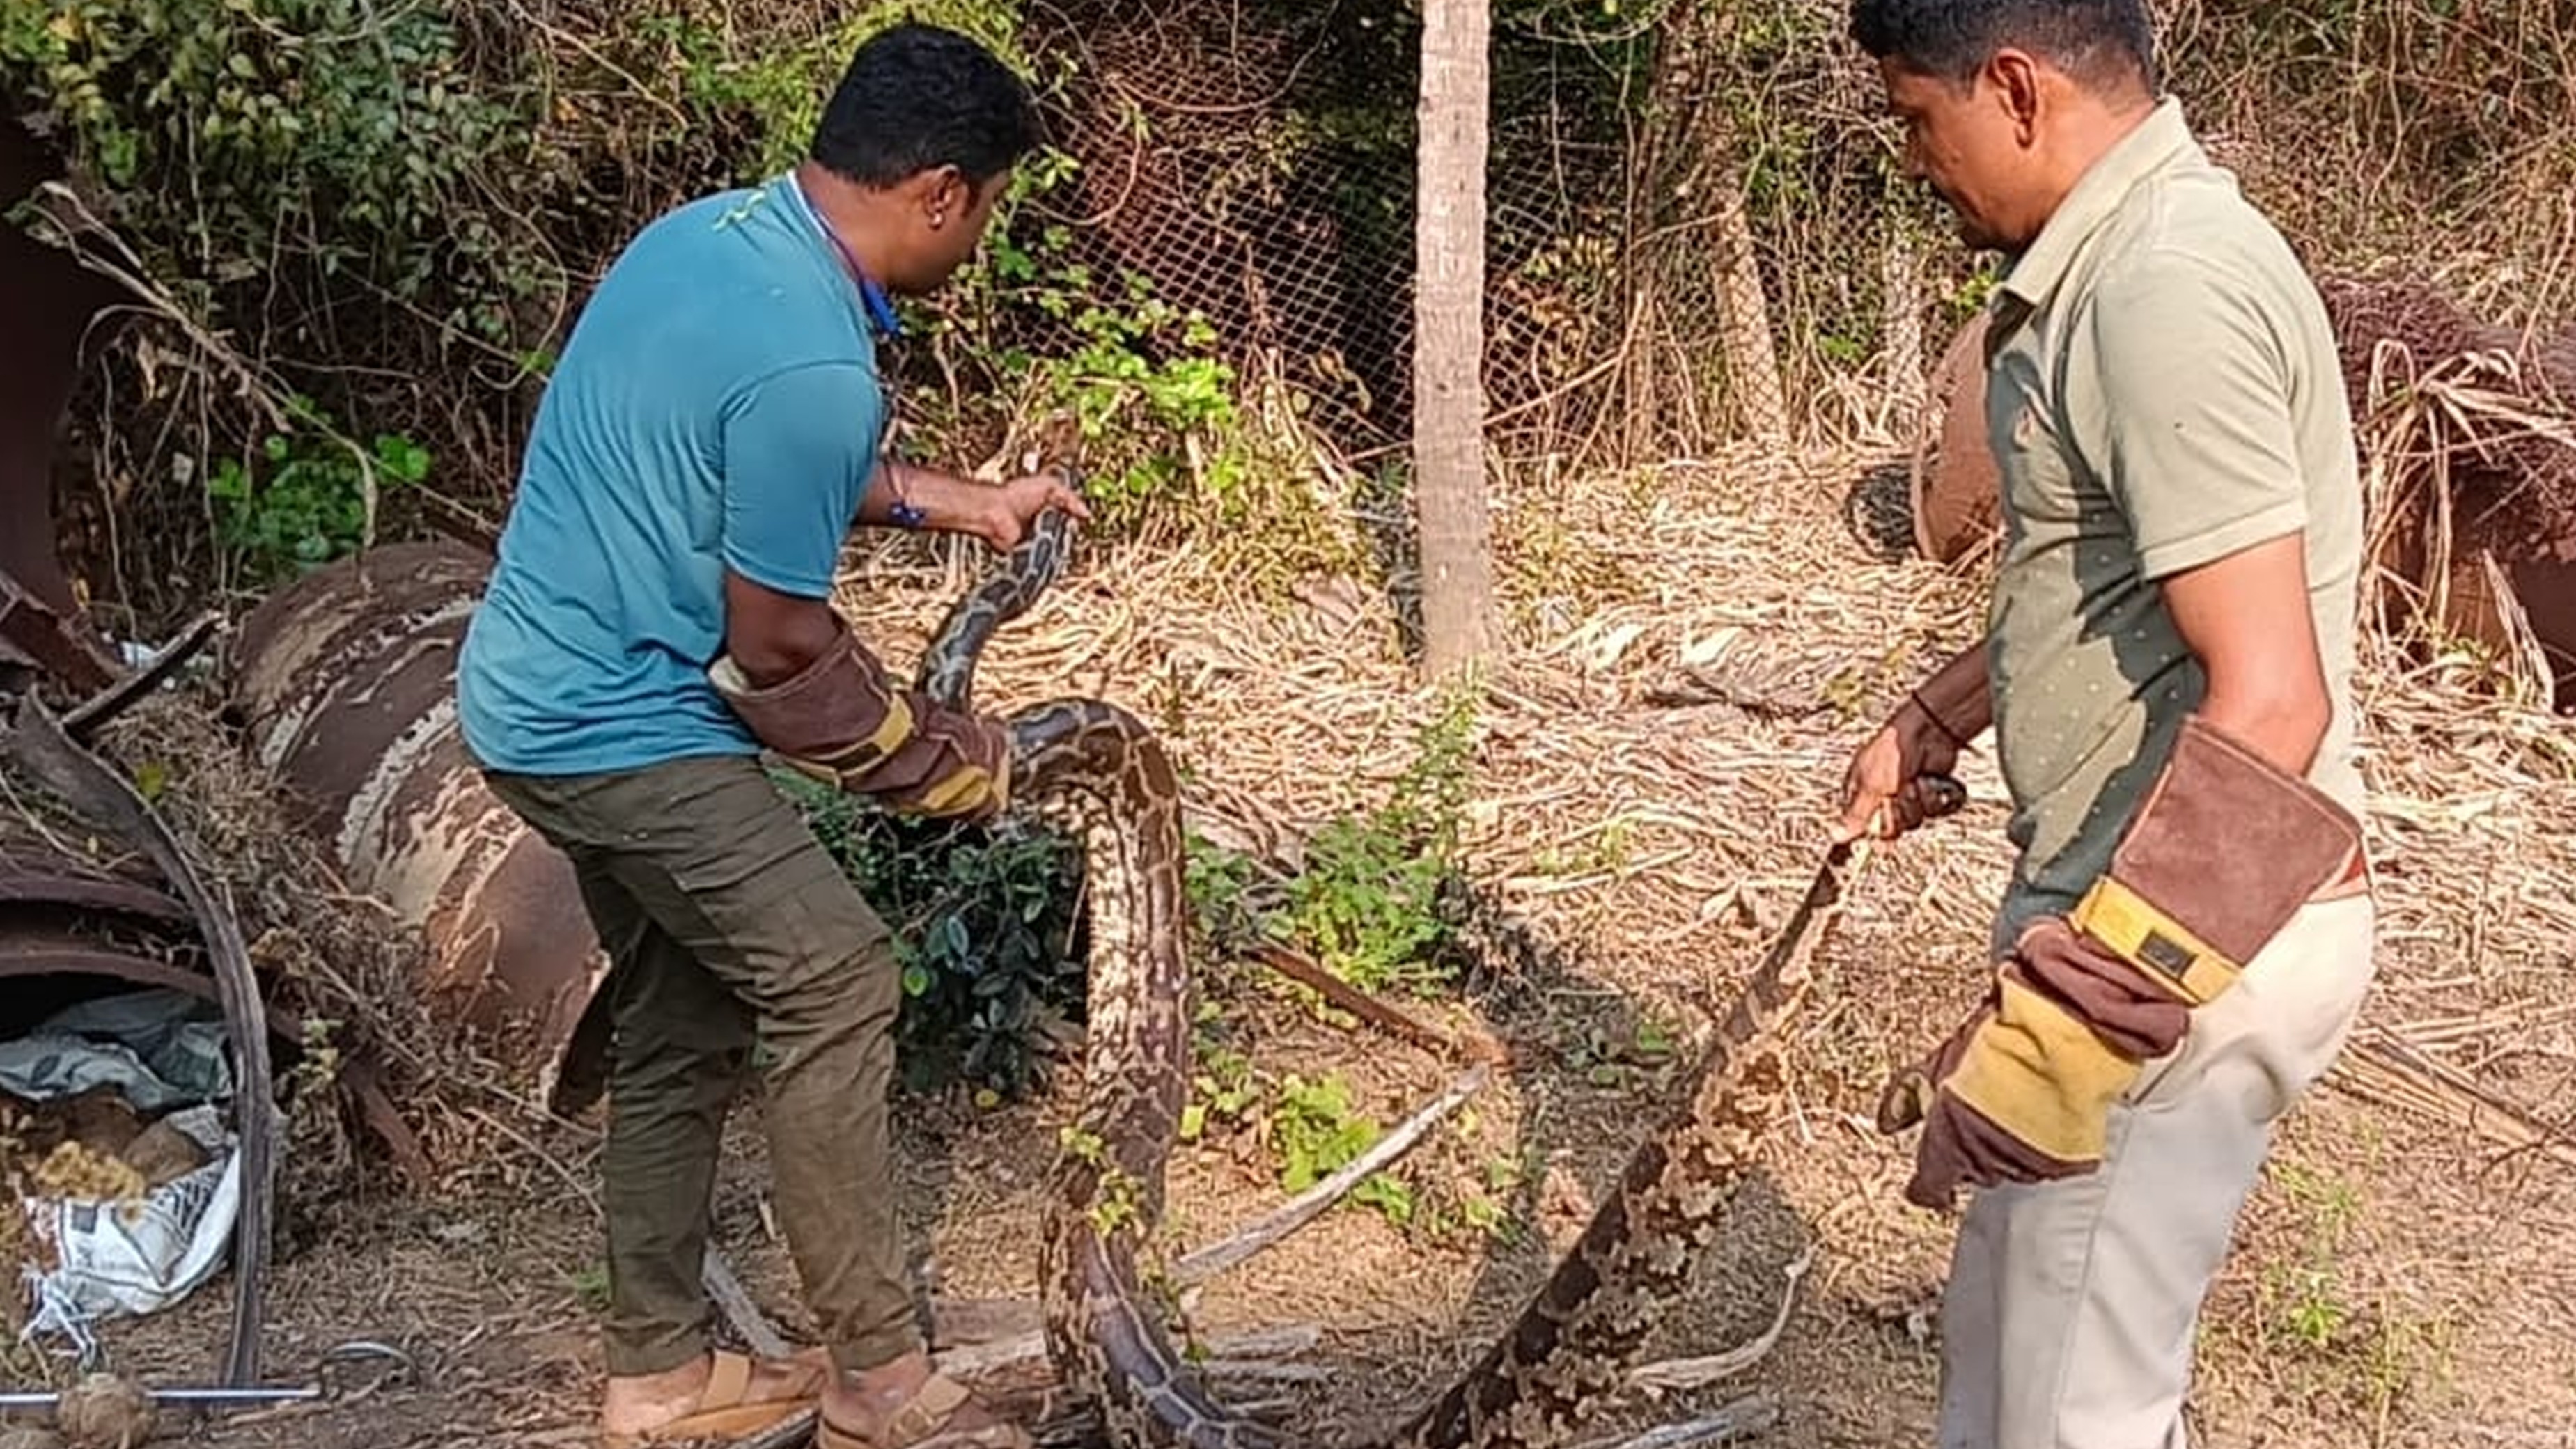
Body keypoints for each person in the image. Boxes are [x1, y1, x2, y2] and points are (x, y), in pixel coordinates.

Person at [455, 22, 1086, 1449]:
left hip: (523, 690)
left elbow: (755, 458)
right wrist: (942, 765)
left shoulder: (709, 241)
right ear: (938, 192)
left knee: (683, 1014)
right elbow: (782, 648)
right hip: (616, 725)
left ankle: (657, 1378)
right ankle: (878, 1377)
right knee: (837, 980)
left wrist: (961, 500)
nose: (981, 236)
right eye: (988, 208)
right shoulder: (814, 358)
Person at [1836, 3, 2376, 1446]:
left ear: (2013, 88)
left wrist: (2074, 1027)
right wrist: (1941, 711)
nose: (1915, 161)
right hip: (2128, 935)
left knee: (2072, 1416)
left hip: (2176, 958)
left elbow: (2273, 696)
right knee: (2012, 1386)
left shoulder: (2160, 291)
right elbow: (2123, 587)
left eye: (1916, 118)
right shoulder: (2110, 270)